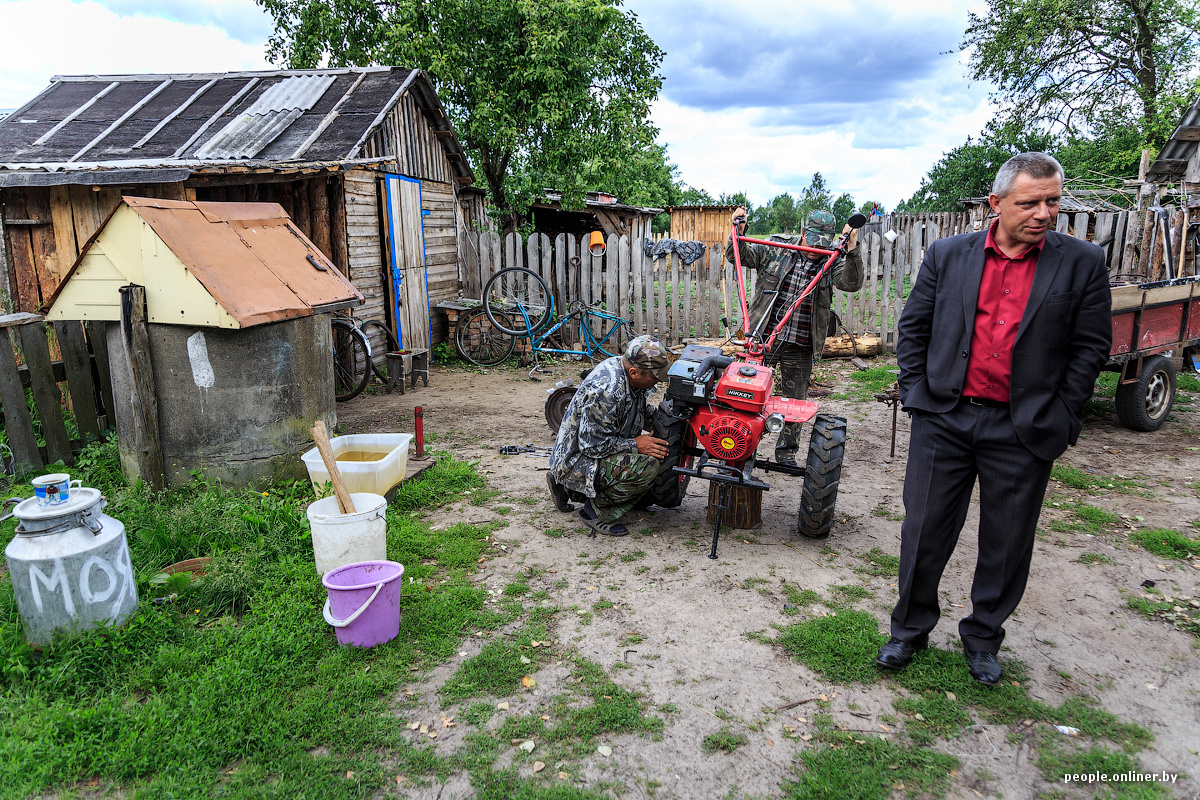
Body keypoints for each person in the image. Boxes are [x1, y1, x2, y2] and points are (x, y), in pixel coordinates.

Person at [876, 152, 1112, 685]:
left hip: (1022, 427)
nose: (1044, 213)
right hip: (945, 418)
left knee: (1007, 541)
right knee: (925, 529)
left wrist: (1065, 413)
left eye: (1053, 201)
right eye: (1030, 203)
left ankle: (983, 638)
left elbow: (1090, 348)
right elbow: (914, 329)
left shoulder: (1081, 262)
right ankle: (908, 631)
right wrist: (917, 392)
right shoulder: (948, 255)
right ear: (996, 203)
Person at [726, 208, 864, 467]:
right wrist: (738, 230)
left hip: (801, 343)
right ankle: (741, 444)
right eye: (811, 242)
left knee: (795, 402)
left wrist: (853, 248)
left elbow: (851, 283)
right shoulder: (776, 247)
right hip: (764, 337)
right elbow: (738, 255)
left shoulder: (831, 258)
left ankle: (786, 453)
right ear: (802, 233)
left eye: (821, 243)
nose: (815, 249)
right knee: (746, 394)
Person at [546, 335, 670, 536]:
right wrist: (636, 445)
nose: (659, 381)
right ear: (634, 372)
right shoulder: (607, 391)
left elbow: (639, 410)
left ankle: (566, 489)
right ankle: (594, 511)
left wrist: (664, 424)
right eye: (655, 377)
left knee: (645, 481)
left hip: (589, 455)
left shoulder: (627, 372)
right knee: (646, 468)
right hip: (579, 459)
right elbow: (592, 446)